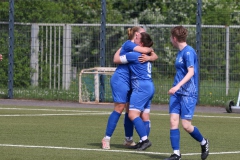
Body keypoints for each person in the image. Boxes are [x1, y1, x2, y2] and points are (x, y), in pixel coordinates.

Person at [102, 26, 157, 150]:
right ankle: (106, 138)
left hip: (136, 83)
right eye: (143, 32)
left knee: (132, 111)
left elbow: (153, 54)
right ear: (137, 34)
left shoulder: (141, 50)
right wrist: (149, 52)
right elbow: (116, 59)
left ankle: (132, 140)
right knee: (120, 108)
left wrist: (149, 56)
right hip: (122, 79)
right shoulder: (129, 45)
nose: (145, 34)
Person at [164, 26, 209, 160]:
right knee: (173, 121)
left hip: (188, 93)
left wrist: (177, 86)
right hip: (177, 93)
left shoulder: (188, 52)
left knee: (186, 126)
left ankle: (204, 142)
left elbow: (191, 72)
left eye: (171, 38)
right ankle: (176, 154)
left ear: (174, 38)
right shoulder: (180, 52)